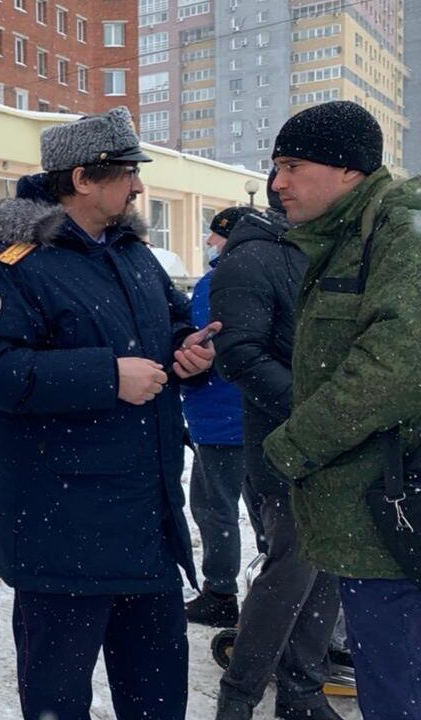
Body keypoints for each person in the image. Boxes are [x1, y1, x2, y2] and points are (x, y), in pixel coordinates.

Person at [0, 106, 219, 720]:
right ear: (81, 178)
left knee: (157, 696)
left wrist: (190, 349)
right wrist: (105, 376)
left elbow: (171, 320)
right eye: (127, 172)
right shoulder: (12, 267)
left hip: (146, 526)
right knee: (58, 697)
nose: (138, 186)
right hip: (62, 530)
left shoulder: (133, 256)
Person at [261, 100, 421, 720]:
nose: (278, 183)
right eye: (276, 167)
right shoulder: (355, 233)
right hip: (378, 518)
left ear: (351, 169)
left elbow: (397, 365)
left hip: (397, 520)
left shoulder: (400, 226)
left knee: (398, 694)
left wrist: (294, 445)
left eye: (294, 165)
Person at [211, 175, 343, 720]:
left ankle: (302, 691)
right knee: (290, 572)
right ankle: (240, 696)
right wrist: (315, 413)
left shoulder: (326, 249)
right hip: (286, 446)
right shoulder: (254, 258)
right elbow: (239, 354)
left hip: (340, 445)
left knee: (326, 571)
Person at [182, 206, 265, 629]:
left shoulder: (217, 285)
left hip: (220, 418)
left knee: (215, 507)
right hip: (262, 414)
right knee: (268, 509)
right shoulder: (273, 273)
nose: (210, 242)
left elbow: (198, 348)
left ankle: (219, 592)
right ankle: (277, 587)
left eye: (216, 235)